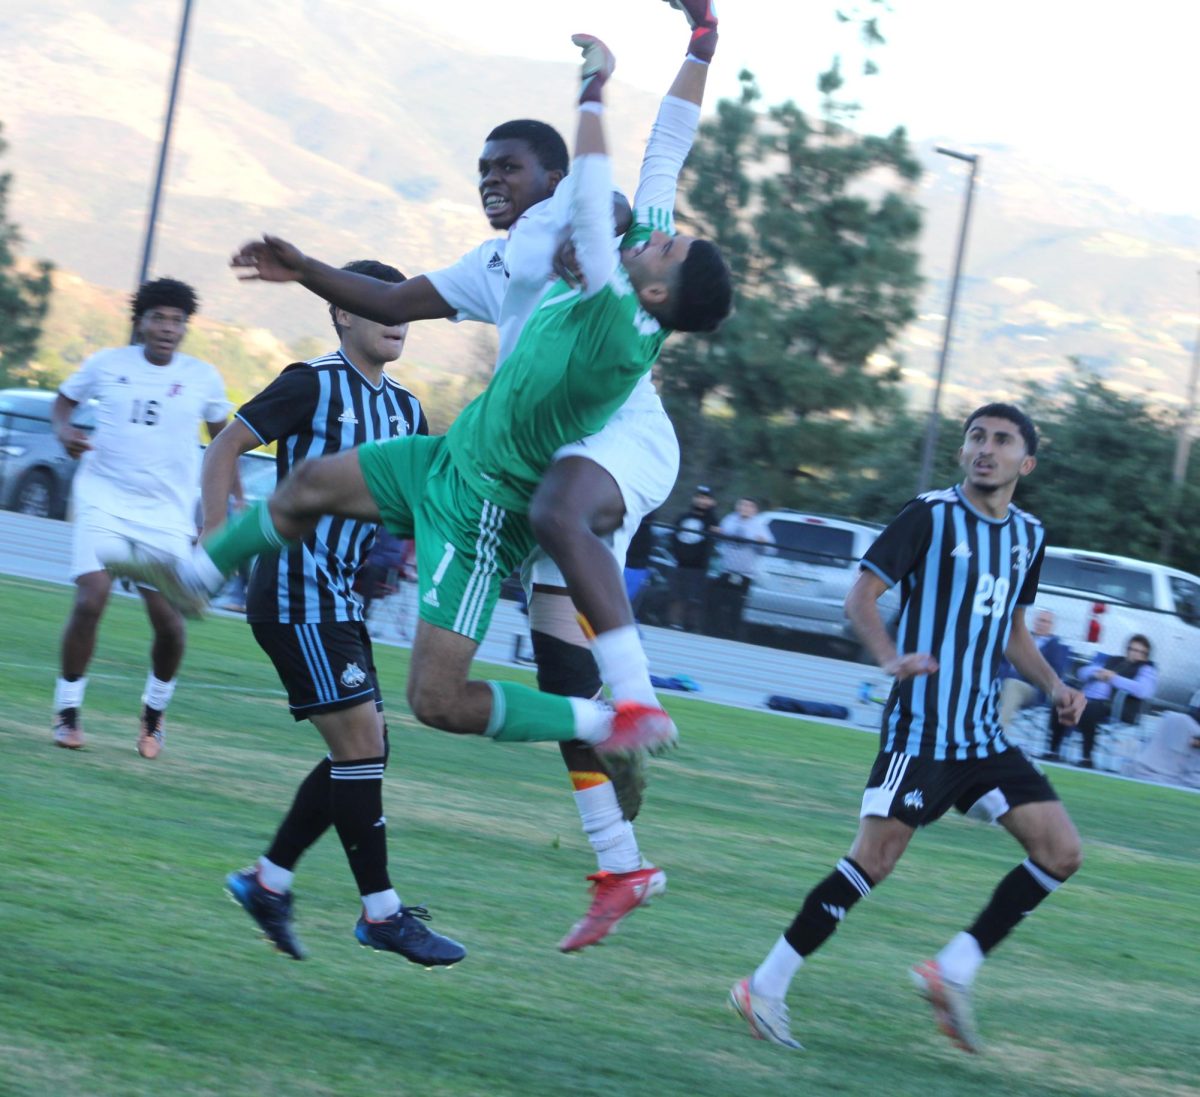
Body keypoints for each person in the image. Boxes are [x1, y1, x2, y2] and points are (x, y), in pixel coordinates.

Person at [107, 21, 732, 857]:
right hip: (459, 456)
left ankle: (623, 728)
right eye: (485, 170)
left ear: (656, 286)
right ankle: (195, 576)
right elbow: (662, 151)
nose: (491, 182)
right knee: (306, 487)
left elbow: (602, 187)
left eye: (507, 167)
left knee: (473, 678)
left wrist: (594, 85)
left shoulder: (617, 291)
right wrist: (701, 41)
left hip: (544, 475)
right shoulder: (552, 257)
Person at [730, 403, 1086, 1054]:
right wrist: (890, 657)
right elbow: (860, 597)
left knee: (1061, 851)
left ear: (1025, 463)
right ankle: (764, 984)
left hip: (983, 736)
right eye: (976, 436)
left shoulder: (1029, 534)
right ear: (963, 451)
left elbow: (1010, 630)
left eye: (1002, 440)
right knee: (873, 861)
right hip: (921, 729)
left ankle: (953, 967)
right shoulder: (930, 514)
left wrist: (1056, 685)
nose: (986, 448)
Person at [197, 261, 464, 965]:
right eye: (378, 303)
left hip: (340, 597)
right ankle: (381, 912)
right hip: (294, 588)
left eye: (403, 306)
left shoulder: (406, 410)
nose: (397, 315)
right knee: (360, 748)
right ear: (343, 312)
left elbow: (419, 498)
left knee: (365, 749)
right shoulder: (312, 381)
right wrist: (214, 539)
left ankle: (269, 879)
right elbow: (228, 443)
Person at [50, 278, 233, 757]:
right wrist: (65, 430)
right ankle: (67, 711)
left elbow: (225, 441)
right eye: (159, 318)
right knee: (92, 598)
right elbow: (64, 401)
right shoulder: (107, 364)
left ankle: (153, 716)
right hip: (103, 499)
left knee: (170, 624)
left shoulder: (203, 378)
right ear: (141, 322)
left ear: (185, 327)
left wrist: (224, 502)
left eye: (177, 321)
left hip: (165, 515)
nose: (168, 328)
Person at [1044, 634, 1156, 768]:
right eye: (1132, 649)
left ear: (1146, 654)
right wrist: (1097, 672)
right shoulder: (1112, 660)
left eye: (1140, 652)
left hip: (1112, 705)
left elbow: (1143, 690)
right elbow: (1082, 672)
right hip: (1086, 697)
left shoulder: (1147, 669)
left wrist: (1113, 678)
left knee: (1088, 709)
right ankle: (1053, 751)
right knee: (1062, 702)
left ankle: (1087, 758)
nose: (1134, 653)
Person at [709, 496, 774, 638]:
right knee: (718, 601)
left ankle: (732, 634)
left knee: (736, 605)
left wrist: (762, 543)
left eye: (749, 506)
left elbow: (770, 549)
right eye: (742, 505)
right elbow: (718, 539)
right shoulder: (729, 520)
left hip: (745, 574)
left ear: (755, 510)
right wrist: (717, 533)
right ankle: (714, 631)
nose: (745, 508)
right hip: (726, 570)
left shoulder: (759, 525)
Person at [996, 608, 1071, 729]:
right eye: (1040, 620)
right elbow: (1002, 661)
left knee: (1012, 685)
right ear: (1034, 622)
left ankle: (999, 731)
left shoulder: (1056, 647)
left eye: (1045, 621)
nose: (1041, 624)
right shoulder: (1021, 639)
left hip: (1032, 688)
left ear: (1052, 626)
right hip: (1003, 682)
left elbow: (1056, 672)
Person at [667, 485, 719, 631]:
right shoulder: (683, 517)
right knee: (677, 595)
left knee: (694, 598)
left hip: (699, 567)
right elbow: (673, 537)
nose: (702, 501)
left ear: (711, 501)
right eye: (699, 497)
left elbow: (712, 542)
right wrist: (678, 554)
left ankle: (692, 626)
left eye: (706, 498)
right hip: (680, 563)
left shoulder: (712, 521)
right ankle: (674, 623)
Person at [1126, 688, 1200, 787]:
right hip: (1166, 776)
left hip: (1144, 769)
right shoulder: (1184, 723)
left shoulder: (1174, 718)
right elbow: (1194, 742)